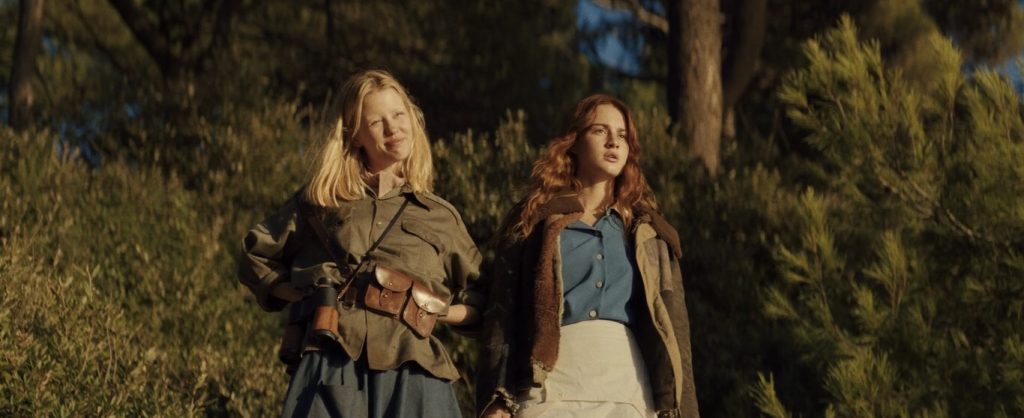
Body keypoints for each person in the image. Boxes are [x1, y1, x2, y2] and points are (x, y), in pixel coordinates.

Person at [238, 70, 485, 418]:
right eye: (376, 122)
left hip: (415, 373)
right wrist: (302, 295)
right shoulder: (320, 203)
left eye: (398, 115)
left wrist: (437, 311)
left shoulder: (440, 216)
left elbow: (484, 301)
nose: (393, 128)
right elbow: (253, 254)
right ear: (355, 135)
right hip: (331, 364)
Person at [476, 94, 699, 418]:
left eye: (622, 135)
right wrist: (495, 398)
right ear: (574, 142)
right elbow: (502, 316)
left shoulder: (649, 233)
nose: (613, 142)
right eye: (599, 131)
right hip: (549, 386)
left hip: (628, 390)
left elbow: (677, 336)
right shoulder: (533, 222)